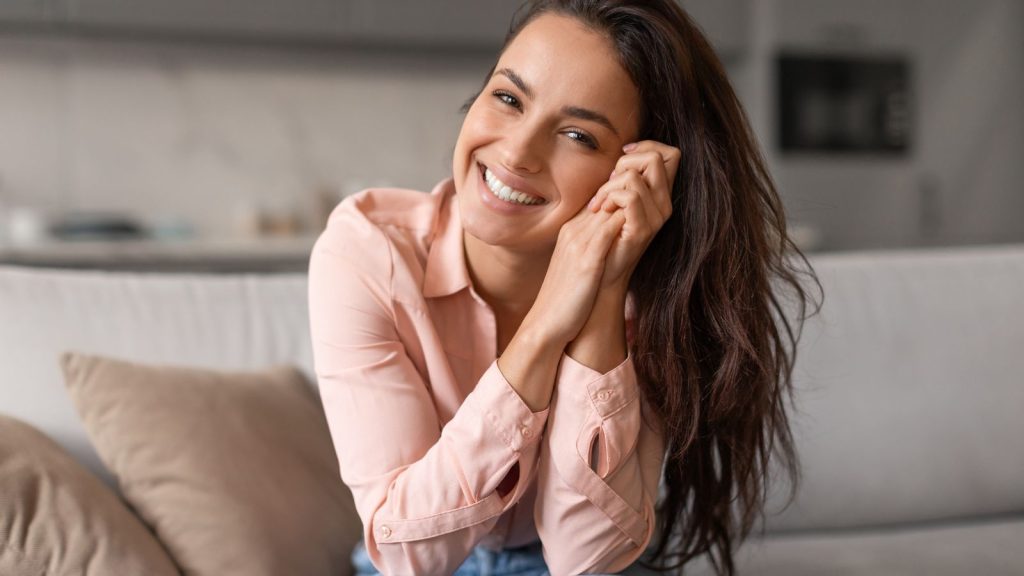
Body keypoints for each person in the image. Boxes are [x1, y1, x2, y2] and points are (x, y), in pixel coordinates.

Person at [308, 1, 822, 574]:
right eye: (508, 98)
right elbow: (407, 555)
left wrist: (604, 289)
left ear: (633, 173)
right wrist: (548, 321)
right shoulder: (369, 250)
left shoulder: (656, 297)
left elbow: (585, 560)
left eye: (578, 135)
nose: (516, 153)